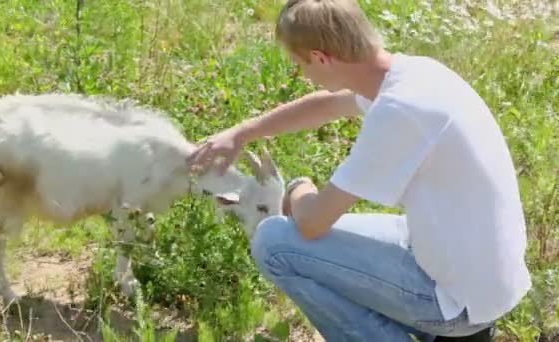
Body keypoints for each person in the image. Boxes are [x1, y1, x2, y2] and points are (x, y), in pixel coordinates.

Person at [187, 0, 532, 340]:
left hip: (458, 303)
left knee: (275, 242)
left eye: (299, 64)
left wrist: (296, 187)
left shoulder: (399, 111)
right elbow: (328, 105)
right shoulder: (414, 73)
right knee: (309, 239)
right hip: (475, 271)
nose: (303, 75)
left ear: (321, 58)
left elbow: (312, 222)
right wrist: (243, 132)